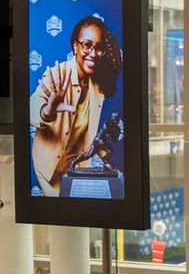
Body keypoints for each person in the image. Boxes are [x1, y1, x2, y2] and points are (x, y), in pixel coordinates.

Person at [29, 15, 123, 197]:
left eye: (99, 48)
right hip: (48, 167)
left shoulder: (97, 87)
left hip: (75, 167)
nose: (93, 53)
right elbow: (31, 108)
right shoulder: (58, 74)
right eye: (87, 45)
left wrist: (105, 159)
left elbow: (89, 134)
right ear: (75, 46)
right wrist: (48, 111)